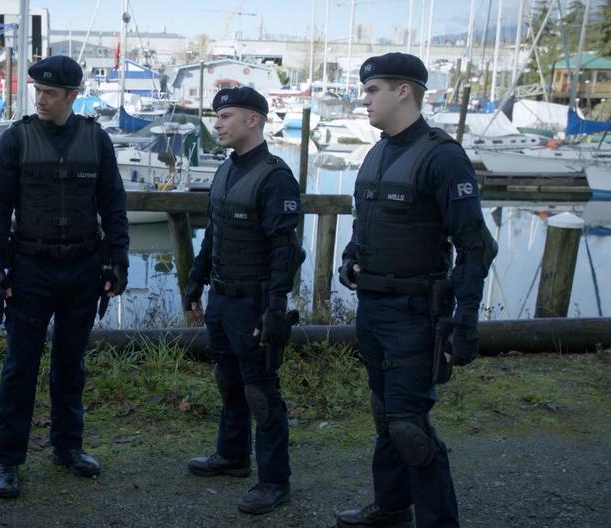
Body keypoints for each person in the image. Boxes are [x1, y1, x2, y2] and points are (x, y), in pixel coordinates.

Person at [334, 53, 497, 528]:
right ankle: (391, 508)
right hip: (373, 308)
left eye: (372, 90)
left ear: (403, 91)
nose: (364, 100)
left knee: (410, 426)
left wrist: (463, 322)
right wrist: (350, 260)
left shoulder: (442, 157)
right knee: (385, 416)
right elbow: (365, 224)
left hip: (415, 313)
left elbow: (474, 246)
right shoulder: (377, 152)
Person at [0, 55, 130, 499]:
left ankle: (68, 447)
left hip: (83, 267)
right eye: (37, 91)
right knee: (20, 367)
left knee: (71, 364)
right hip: (31, 267)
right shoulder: (17, 139)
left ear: (71, 95)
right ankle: (8, 460)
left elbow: (114, 205)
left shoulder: (95, 140)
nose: (41, 99)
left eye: (49, 93)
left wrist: (116, 260)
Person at [183, 86, 304, 515]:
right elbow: (213, 234)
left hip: (254, 303)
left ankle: (274, 481)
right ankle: (232, 456)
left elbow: (284, 250)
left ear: (253, 120)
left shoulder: (275, 177)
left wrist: (274, 309)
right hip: (221, 297)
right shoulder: (226, 171)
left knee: (261, 393)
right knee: (229, 382)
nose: (218, 123)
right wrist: (196, 282)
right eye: (217, 116)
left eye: (227, 115)